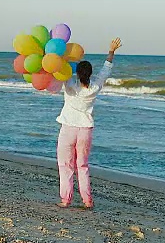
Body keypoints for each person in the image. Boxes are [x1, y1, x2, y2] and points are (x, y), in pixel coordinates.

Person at [55, 37, 122, 209]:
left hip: (68, 128)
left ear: (77, 73)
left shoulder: (69, 85)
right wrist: (112, 50)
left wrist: (60, 57)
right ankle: (87, 200)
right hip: (85, 129)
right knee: (82, 166)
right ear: (90, 74)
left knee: (65, 165)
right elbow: (106, 70)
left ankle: (65, 199)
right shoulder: (95, 87)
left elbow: (59, 70)